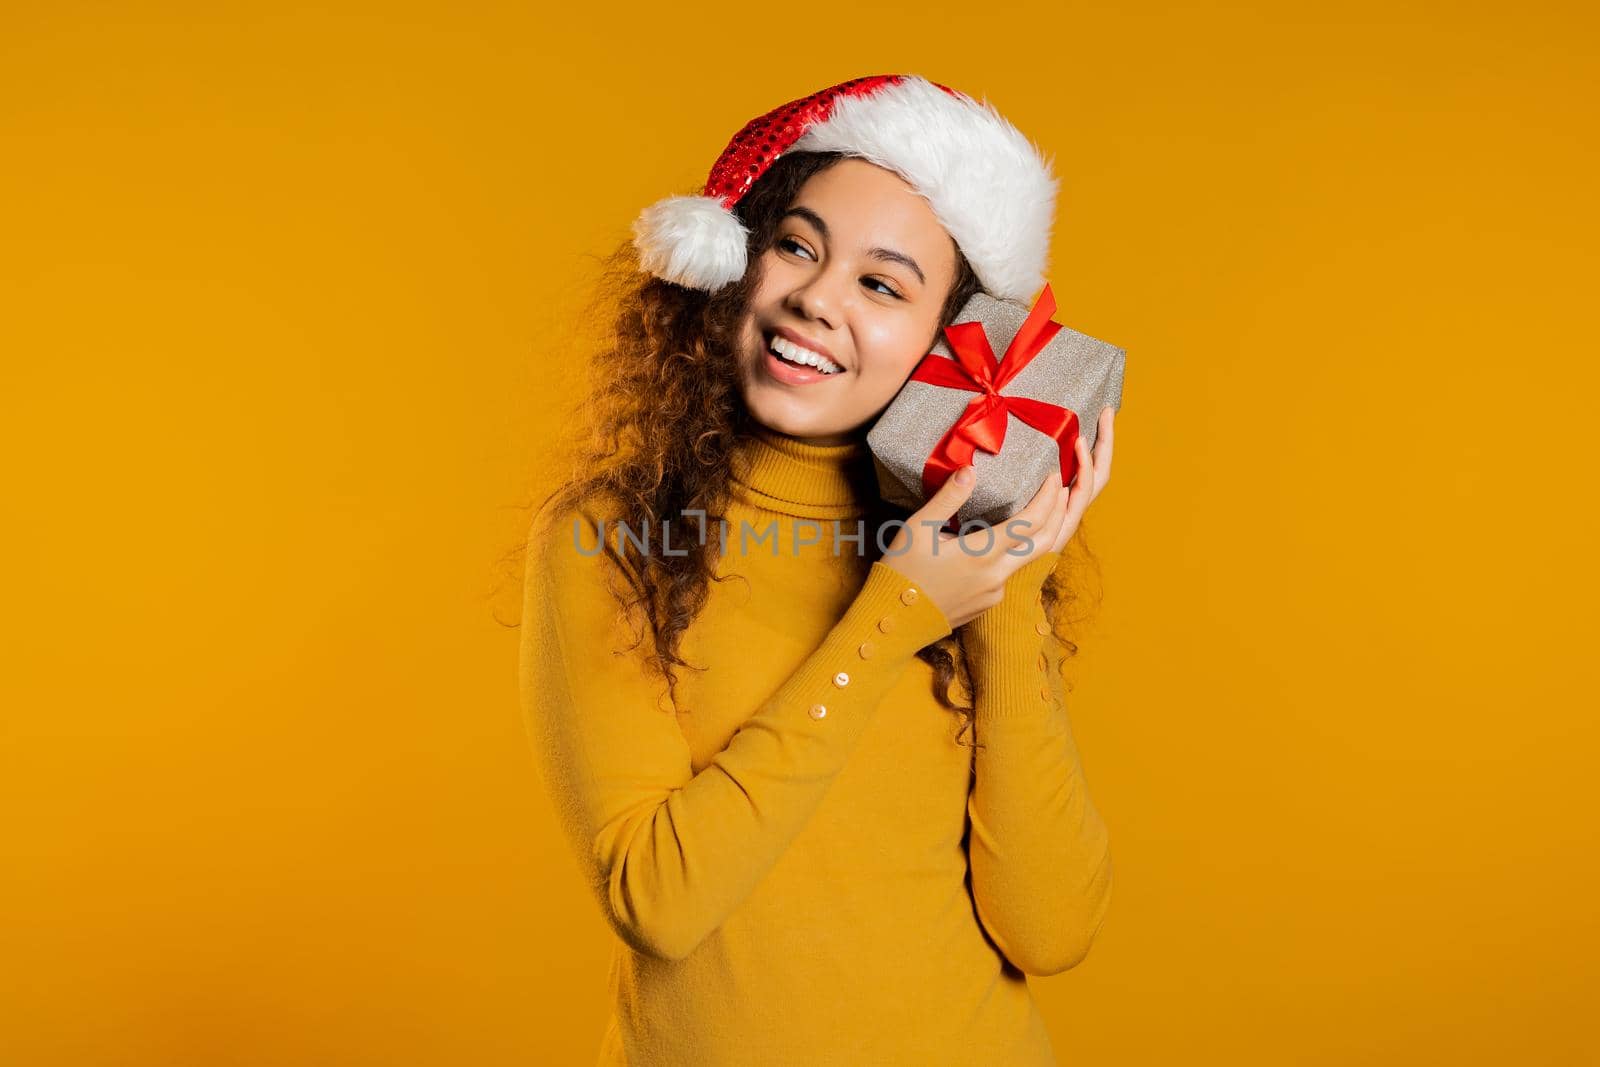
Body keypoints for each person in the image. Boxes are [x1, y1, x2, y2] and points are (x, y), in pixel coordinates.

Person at [517, 73, 1117, 1066]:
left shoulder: (964, 561)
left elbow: (1049, 928)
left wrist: (1004, 564)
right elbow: (657, 899)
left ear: (948, 347)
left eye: (882, 284)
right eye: (794, 245)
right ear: (733, 263)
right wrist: (894, 614)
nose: (814, 298)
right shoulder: (612, 537)